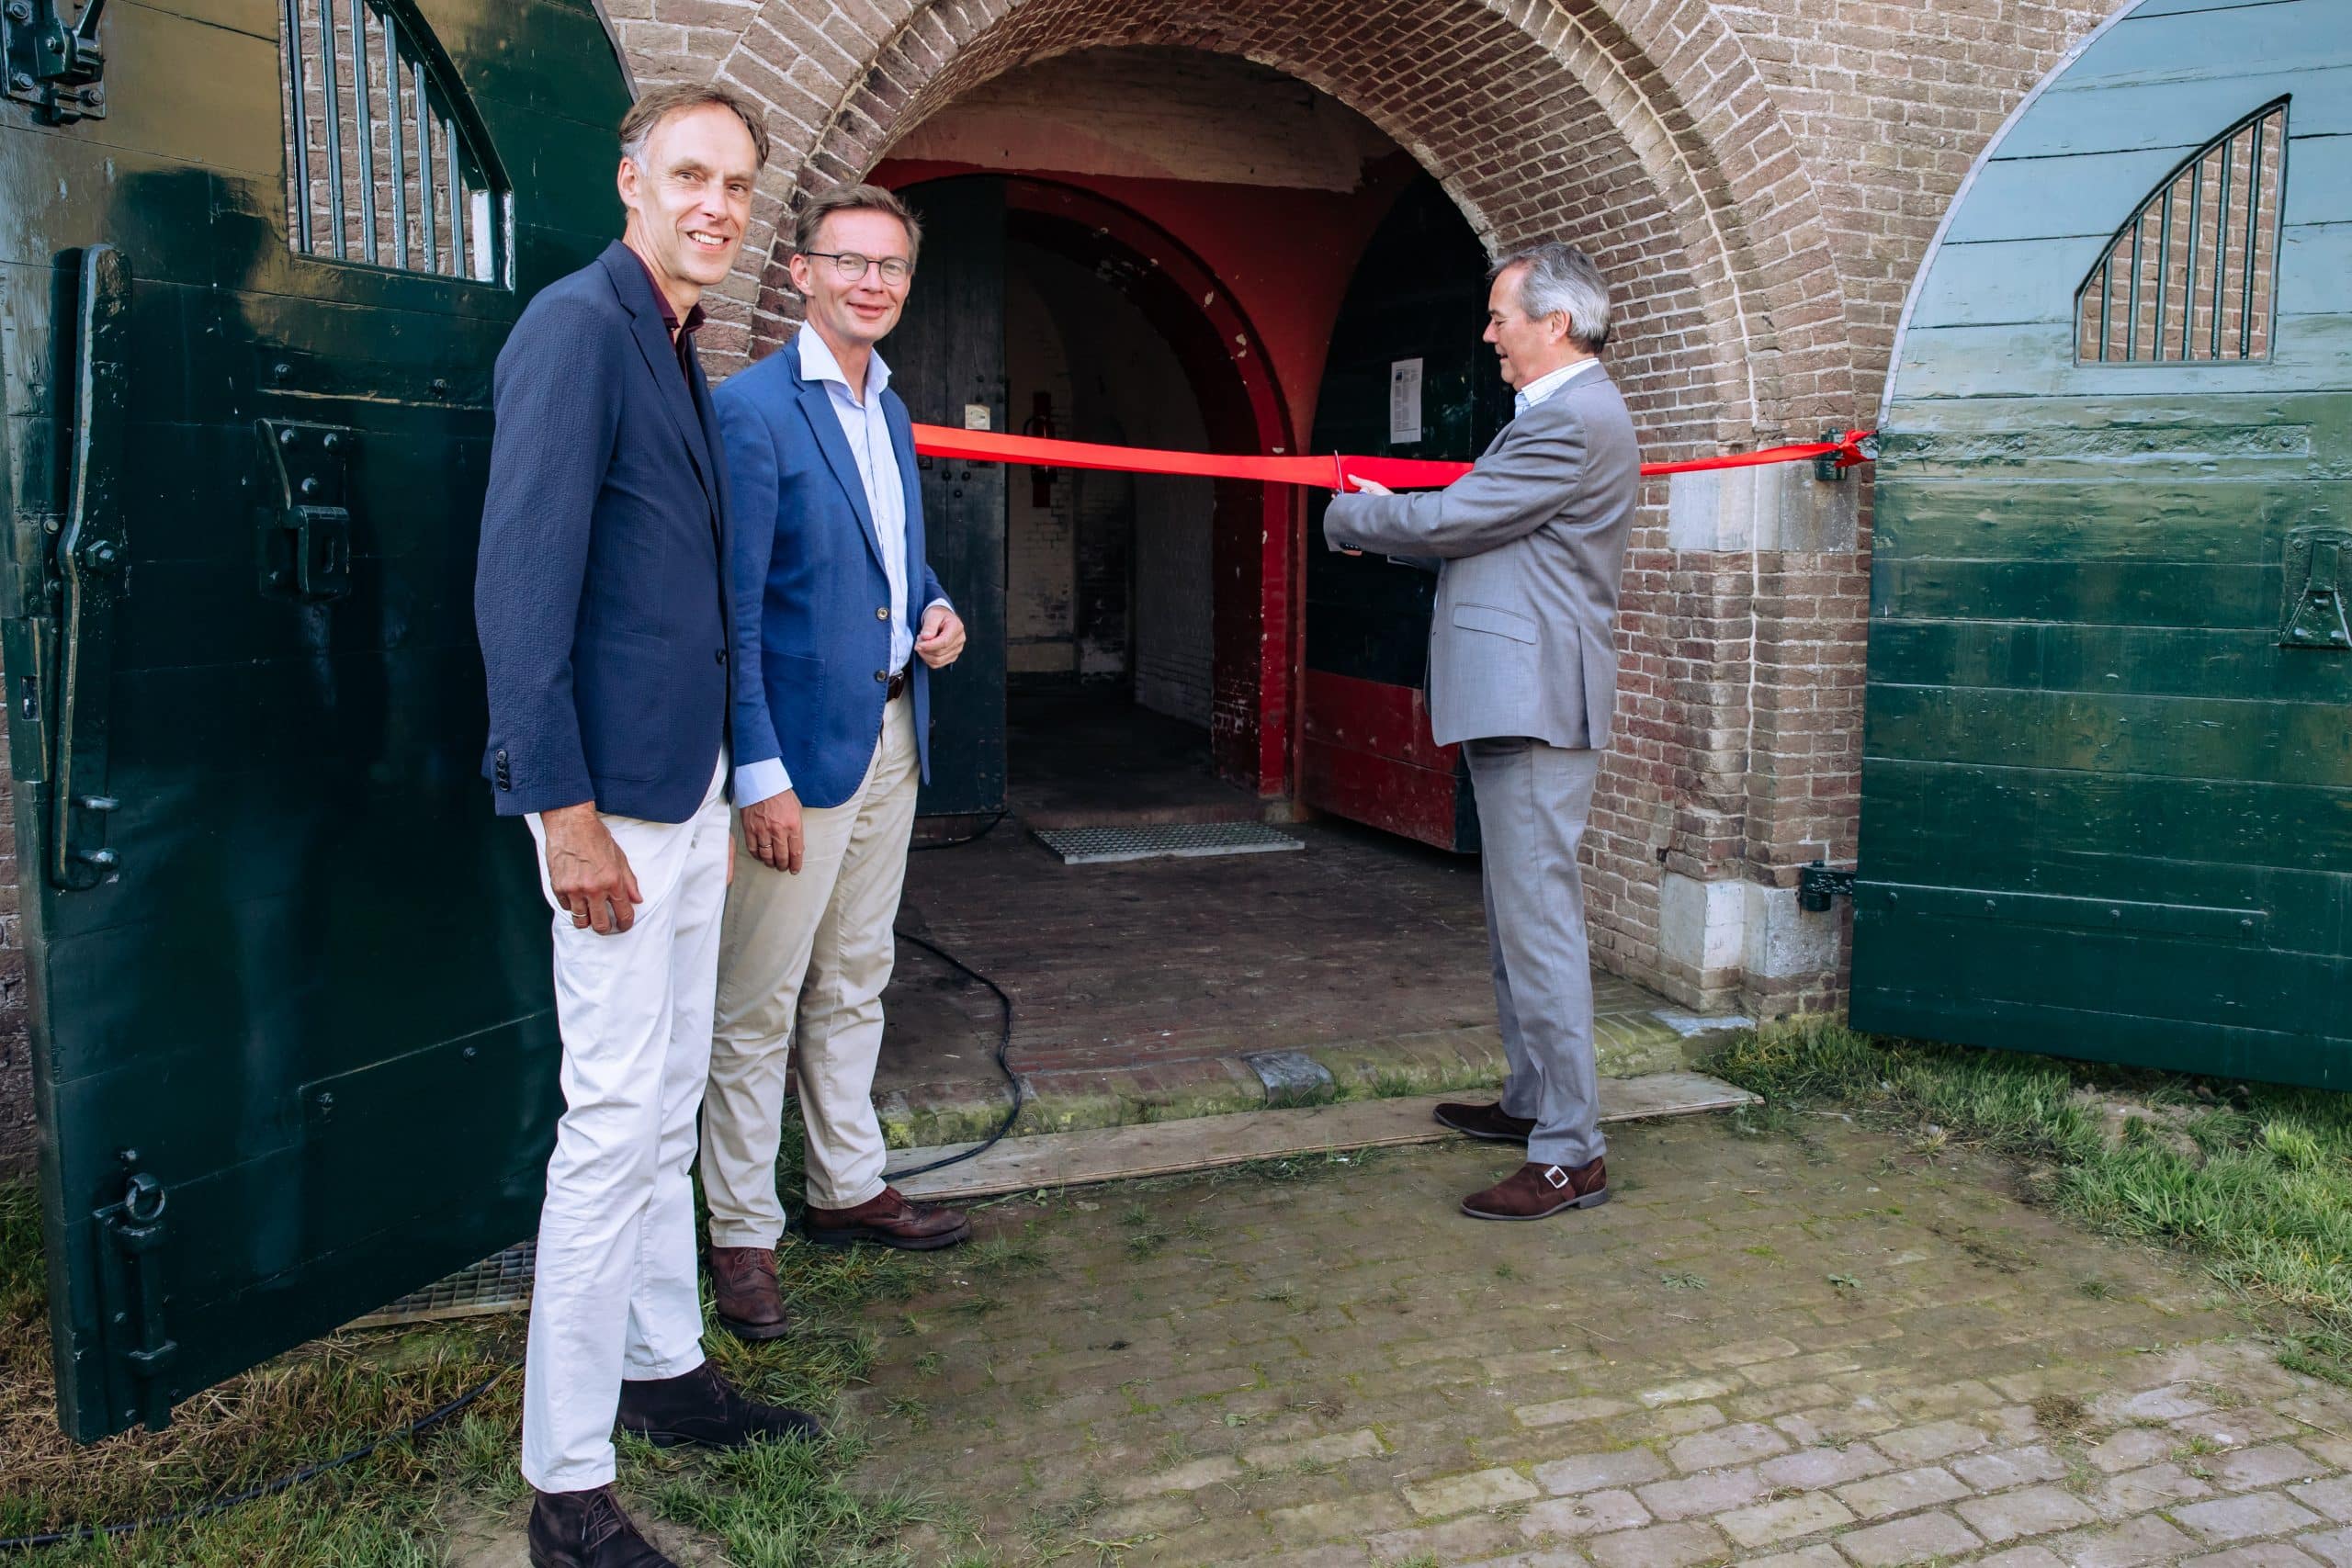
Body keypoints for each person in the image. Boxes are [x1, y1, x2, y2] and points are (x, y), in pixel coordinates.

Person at [474, 83, 820, 1568]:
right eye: (691, 175)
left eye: (738, 185)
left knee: (669, 1095)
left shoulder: (677, 348)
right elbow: (520, 587)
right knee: (609, 1126)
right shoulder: (575, 327)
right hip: (607, 809)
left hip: (681, 801)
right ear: (632, 182)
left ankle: (665, 1368)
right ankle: (566, 1485)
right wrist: (561, 812)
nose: (718, 205)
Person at [695, 183, 973, 1343]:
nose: (873, 281)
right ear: (799, 272)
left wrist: (938, 605)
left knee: (858, 974)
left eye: (892, 267)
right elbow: (733, 608)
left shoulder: (893, 413)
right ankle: (739, 1231)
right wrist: (753, 768)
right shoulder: (750, 411)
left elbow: (894, 562)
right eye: (848, 261)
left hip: (893, 730)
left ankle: (845, 1186)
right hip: (796, 756)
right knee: (753, 1000)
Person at [1324, 241, 1638, 1222]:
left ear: (1556, 323)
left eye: (1502, 315)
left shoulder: (1570, 420)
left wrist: (1352, 518)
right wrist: (1403, 513)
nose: (1489, 332)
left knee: (1538, 927)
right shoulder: (1552, 416)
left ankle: (1568, 1152)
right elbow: (1484, 531)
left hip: (1538, 701)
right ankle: (1535, 1104)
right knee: (1518, 920)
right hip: (1524, 695)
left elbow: (1460, 520)